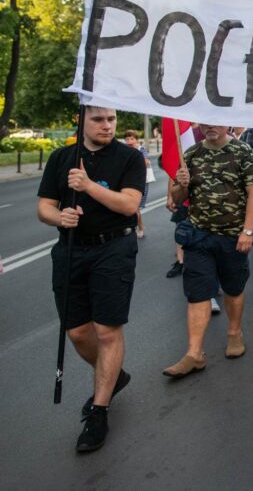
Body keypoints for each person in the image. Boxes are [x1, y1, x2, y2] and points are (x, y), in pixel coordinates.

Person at [37, 106, 145, 453]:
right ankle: (115, 376)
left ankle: (99, 412)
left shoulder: (130, 158)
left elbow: (129, 205)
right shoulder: (61, 157)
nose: (107, 125)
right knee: (78, 332)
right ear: (82, 120)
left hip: (113, 248)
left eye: (111, 119)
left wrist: (87, 186)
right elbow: (44, 207)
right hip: (70, 250)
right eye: (98, 119)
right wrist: (60, 216)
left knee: (107, 331)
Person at [162, 125, 253, 380]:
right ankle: (194, 353)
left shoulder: (243, 152)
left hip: (232, 236)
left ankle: (234, 332)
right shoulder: (192, 154)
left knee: (233, 289)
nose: (208, 128)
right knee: (197, 293)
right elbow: (176, 198)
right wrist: (181, 185)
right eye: (203, 124)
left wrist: (248, 231)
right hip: (199, 236)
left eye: (213, 123)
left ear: (225, 124)